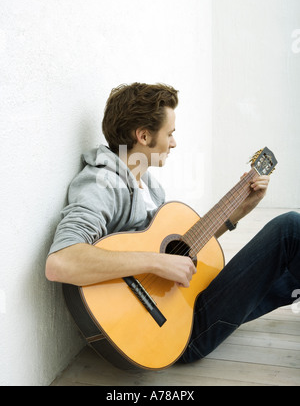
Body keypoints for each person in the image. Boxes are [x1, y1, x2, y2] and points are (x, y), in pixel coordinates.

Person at [46, 82, 300, 363]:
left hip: (181, 310)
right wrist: (156, 262)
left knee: (288, 275)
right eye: (170, 134)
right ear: (143, 135)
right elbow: (61, 262)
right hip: (164, 334)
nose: (174, 143)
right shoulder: (101, 183)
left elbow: (182, 247)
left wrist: (239, 211)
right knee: (290, 229)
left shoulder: (149, 186)